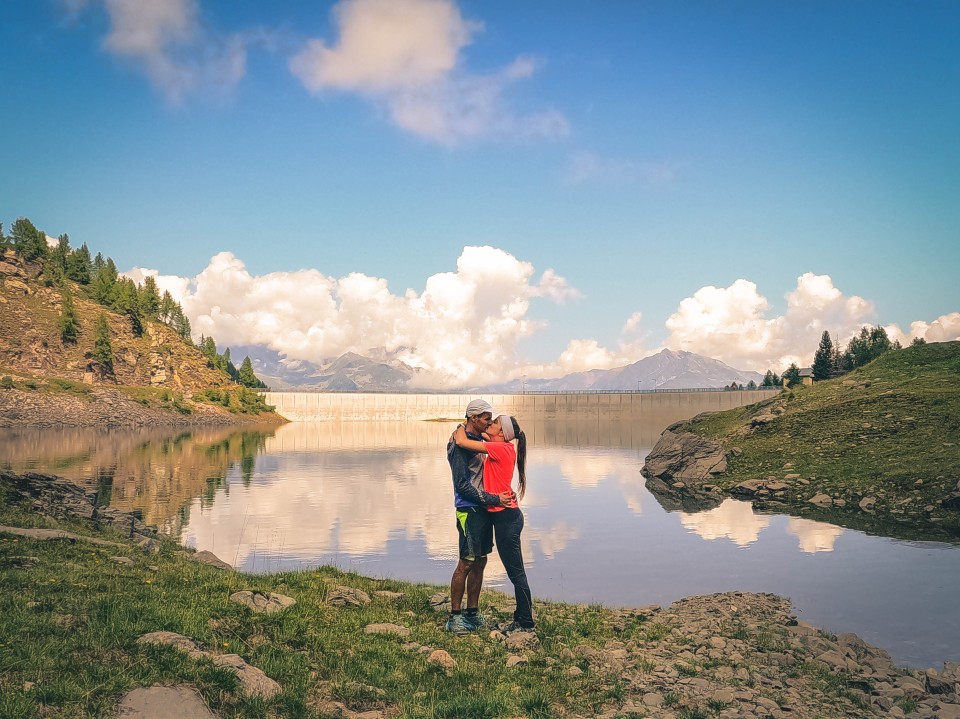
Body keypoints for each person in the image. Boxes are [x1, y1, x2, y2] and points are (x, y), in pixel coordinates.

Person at [453, 414, 534, 633]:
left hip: (507, 518)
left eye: (495, 423)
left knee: (516, 573)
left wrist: (461, 424)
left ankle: (526, 621)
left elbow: (462, 441)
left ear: (502, 433)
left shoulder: (501, 448)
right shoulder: (502, 447)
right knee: (514, 571)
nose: (490, 425)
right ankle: (521, 616)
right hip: (504, 516)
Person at [446, 399, 515, 634]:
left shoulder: (474, 439)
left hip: (482, 509)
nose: (489, 423)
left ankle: (472, 613)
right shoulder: (460, 447)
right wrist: (494, 499)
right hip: (469, 509)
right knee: (466, 561)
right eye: (486, 418)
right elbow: (462, 485)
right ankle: (455, 617)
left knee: (481, 561)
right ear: (474, 418)